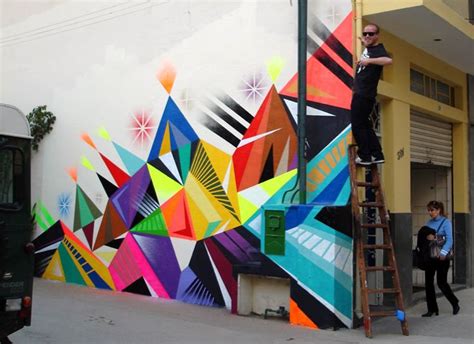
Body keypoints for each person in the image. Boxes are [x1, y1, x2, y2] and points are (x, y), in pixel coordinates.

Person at [351, 23, 392, 166]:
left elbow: (388, 60)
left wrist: (369, 61)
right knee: (366, 125)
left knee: (357, 124)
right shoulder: (369, 49)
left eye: (371, 34)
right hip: (365, 94)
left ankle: (365, 156)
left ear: (377, 36)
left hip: (363, 93)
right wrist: (363, 42)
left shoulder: (377, 49)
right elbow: (367, 43)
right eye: (365, 34)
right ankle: (377, 154)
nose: (367, 36)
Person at [422, 200, 460, 317]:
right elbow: (424, 238)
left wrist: (443, 253)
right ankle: (432, 309)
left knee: (441, 282)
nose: (430, 212)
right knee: (428, 283)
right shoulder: (428, 223)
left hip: (442, 257)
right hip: (431, 257)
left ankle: (454, 303)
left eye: (432, 210)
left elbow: (450, 239)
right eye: (429, 210)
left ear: (438, 210)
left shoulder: (446, 222)